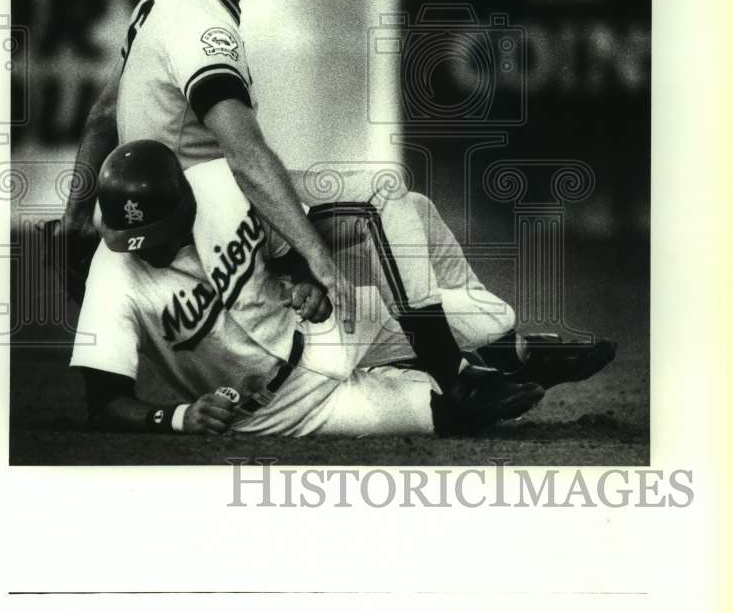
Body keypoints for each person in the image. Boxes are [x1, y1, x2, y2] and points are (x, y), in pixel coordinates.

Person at [70, 140, 615, 437]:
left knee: (470, 293)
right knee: (456, 416)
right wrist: (179, 416)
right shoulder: (113, 279)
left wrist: (304, 279)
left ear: (185, 202)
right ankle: (489, 365)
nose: (148, 250)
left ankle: (509, 351)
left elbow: (291, 248)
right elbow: (103, 406)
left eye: (158, 237)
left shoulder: (222, 182)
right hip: (283, 411)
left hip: (339, 323)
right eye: (133, 240)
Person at [59, 0, 355, 332]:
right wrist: (315, 256)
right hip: (205, 240)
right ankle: (460, 366)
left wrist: (73, 221)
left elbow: (103, 114)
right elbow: (245, 158)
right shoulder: (202, 24)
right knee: (385, 209)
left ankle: (488, 348)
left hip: (162, 231)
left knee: (364, 229)